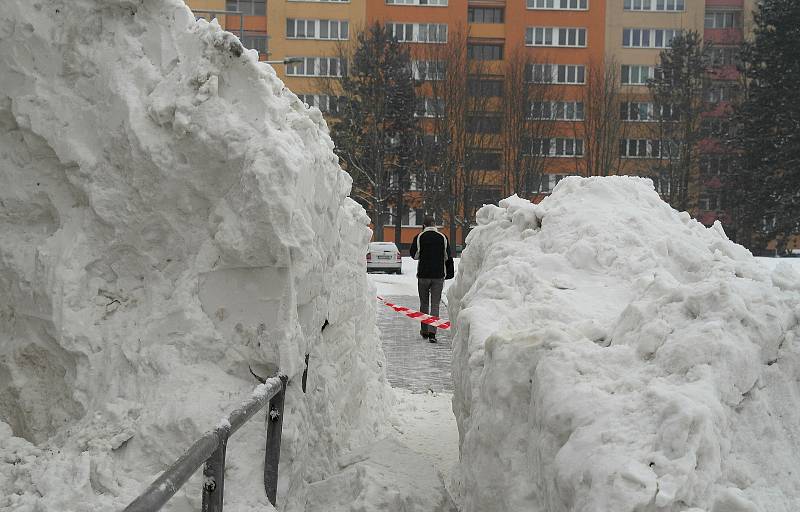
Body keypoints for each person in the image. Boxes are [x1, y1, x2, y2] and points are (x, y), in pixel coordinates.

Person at [409, 216, 454, 343]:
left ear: (424, 225)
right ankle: (432, 333)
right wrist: (449, 273)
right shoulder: (443, 237)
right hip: (438, 276)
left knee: (424, 303)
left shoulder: (419, 237)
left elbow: (414, 255)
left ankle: (424, 331)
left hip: (423, 275)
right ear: (435, 225)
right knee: (435, 305)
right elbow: (447, 257)